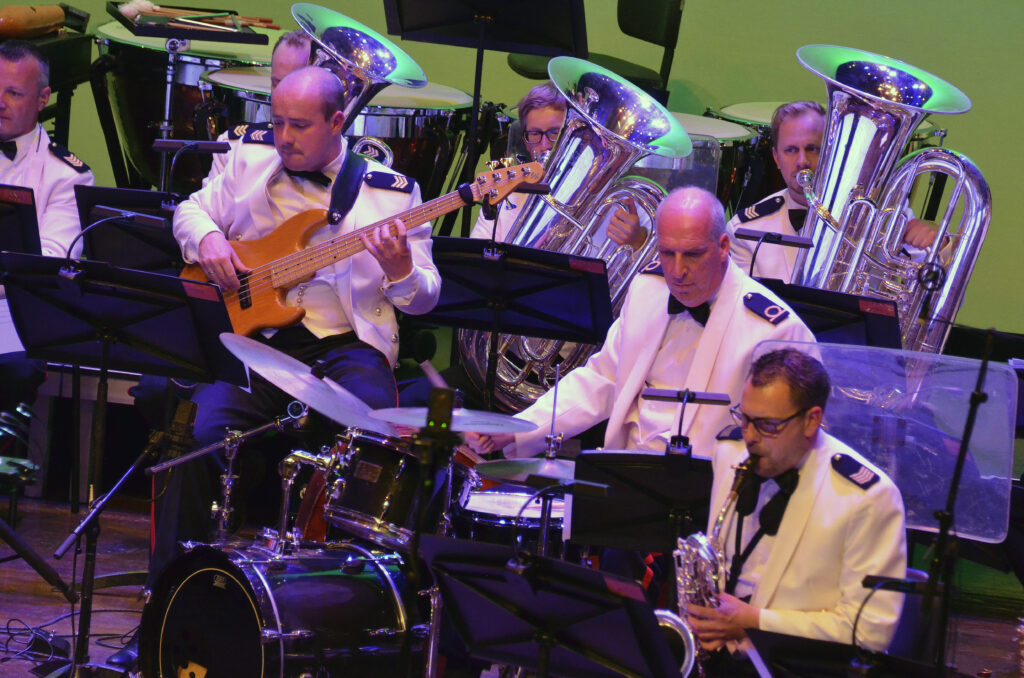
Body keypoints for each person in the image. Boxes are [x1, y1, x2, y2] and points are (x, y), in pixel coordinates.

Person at [108, 65, 440, 668]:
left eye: (299, 125)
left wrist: (399, 272)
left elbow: (425, 297)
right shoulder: (248, 156)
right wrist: (208, 240)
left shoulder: (393, 193)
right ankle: (167, 611)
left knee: (372, 442)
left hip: (345, 345)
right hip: (254, 342)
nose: (283, 137)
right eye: (277, 121)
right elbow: (190, 211)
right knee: (196, 439)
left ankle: (344, 622)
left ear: (337, 122)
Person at [469, 186, 815, 459]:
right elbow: (602, 378)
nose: (677, 271)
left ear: (723, 246)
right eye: (666, 253)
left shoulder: (776, 330)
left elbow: (792, 444)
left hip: (710, 494)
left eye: (693, 254)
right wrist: (518, 429)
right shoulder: (648, 288)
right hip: (625, 472)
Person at [687, 348, 906, 670]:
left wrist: (755, 622)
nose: (750, 437)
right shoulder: (729, 452)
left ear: (811, 420)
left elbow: (869, 632)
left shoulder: (868, 498)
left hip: (793, 667)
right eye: (745, 418)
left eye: (768, 425)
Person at [727, 100, 940, 280]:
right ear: (776, 158)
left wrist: (935, 245)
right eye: (791, 150)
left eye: (812, 149)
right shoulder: (745, 229)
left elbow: (931, 282)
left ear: (832, 150)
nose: (802, 161)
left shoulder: (881, 213)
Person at [0, 40, 93, 413]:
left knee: (14, 370)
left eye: (13, 93)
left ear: (42, 99)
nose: (0, 102)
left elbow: (49, 266)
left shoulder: (67, 176)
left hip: (12, 313)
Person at [469, 81, 645, 248]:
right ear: (526, 141)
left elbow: (652, 263)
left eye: (555, 132)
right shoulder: (505, 197)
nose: (545, 145)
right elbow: (474, 261)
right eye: (535, 134)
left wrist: (638, 241)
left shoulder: (620, 202)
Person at [204, 29, 311, 186]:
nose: (283, 96)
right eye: (277, 84)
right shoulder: (233, 145)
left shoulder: (339, 158)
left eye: (295, 85)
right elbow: (205, 201)